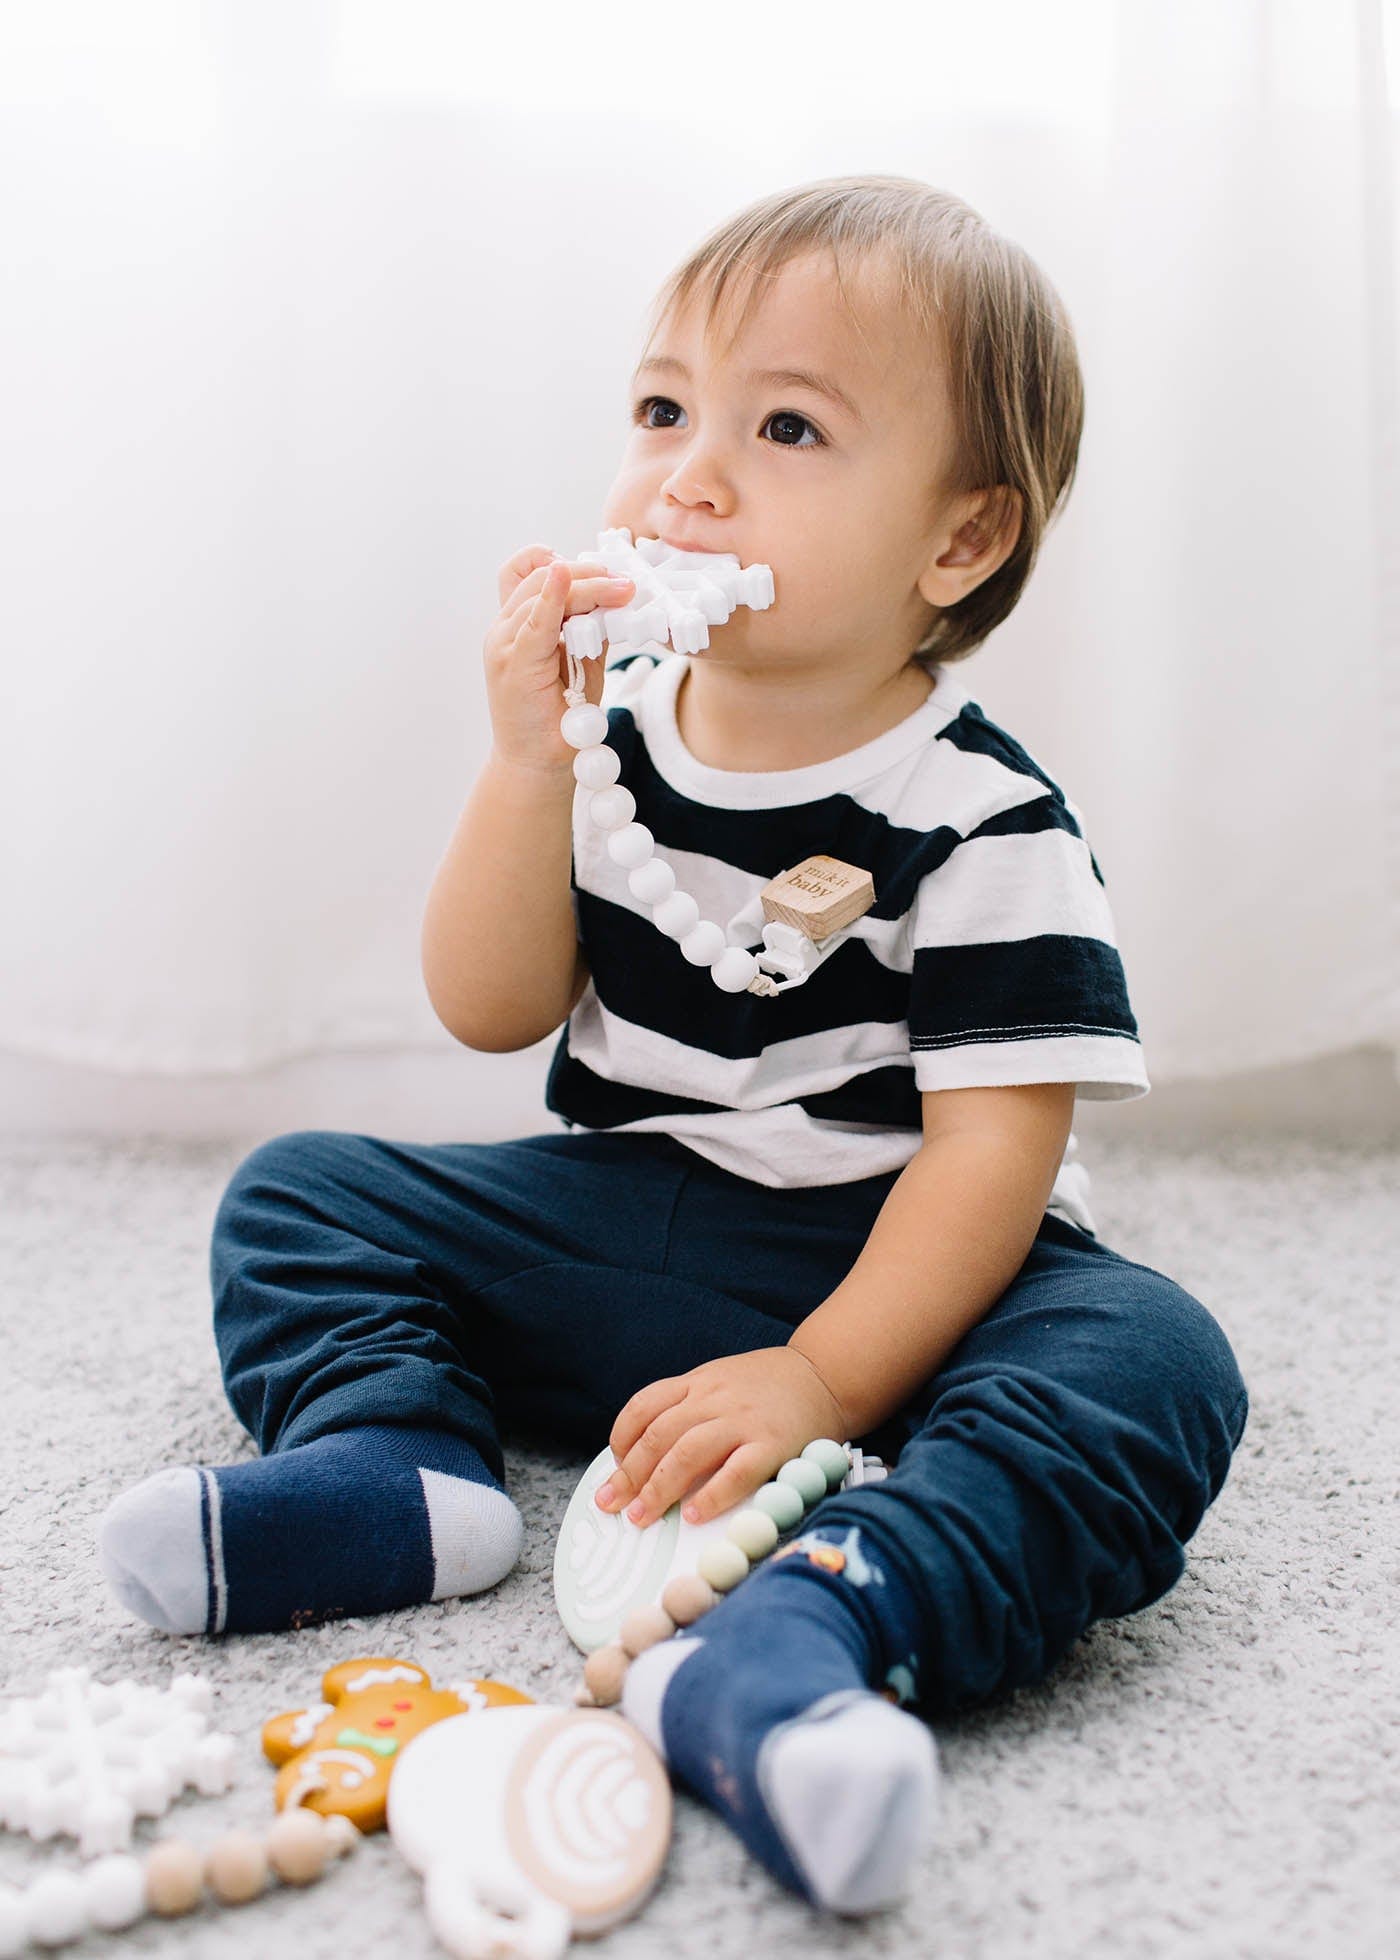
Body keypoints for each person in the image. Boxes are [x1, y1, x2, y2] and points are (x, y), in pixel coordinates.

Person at [98, 175, 1249, 1916]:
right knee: (301, 1195)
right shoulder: (611, 743)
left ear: (956, 543)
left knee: (1155, 1359)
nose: (688, 478)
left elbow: (992, 1158)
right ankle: (404, 1466)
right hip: (642, 1218)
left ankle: (817, 1620)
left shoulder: (985, 818)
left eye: (785, 428)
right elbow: (488, 1007)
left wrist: (824, 1382)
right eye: (661, 411)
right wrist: (524, 765)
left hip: (908, 1260)